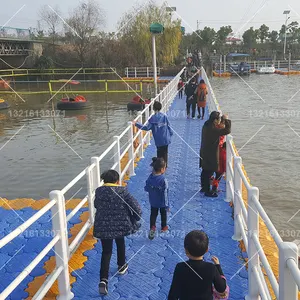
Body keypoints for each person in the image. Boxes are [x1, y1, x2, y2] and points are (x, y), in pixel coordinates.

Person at [93, 170, 142, 295]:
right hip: (120, 225)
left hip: (103, 226)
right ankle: (121, 266)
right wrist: (135, 219)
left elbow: (96, 205)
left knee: (106, 251)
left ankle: (103, 280)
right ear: (117, 181)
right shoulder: (122, 191)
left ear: (104, 181)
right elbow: (136, 208)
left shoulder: (99, 191)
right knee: (120, 243)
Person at [168, 230, 228, 300]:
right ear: (207, 249)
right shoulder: (211, 268)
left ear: (186, 250)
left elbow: (173, 293)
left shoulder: (180, 267)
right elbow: (221, 288)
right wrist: (217, 266)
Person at [200, 111, 231, 197]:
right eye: (218, 119)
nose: (219, 121)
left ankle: (203, 188)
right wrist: (227, 120)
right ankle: (207, 191)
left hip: (204, 150)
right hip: (210, 153)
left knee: (205, 171)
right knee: (209, 172)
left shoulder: (206, 125)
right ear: (215, 120)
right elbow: (227, 130)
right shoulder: (213, 129)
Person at [133, 101, 173, 167]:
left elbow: (146, 128)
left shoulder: (152, 118)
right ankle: (165, 166)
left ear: (153, 109)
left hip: (159, 140)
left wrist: (136, 124)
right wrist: (170, 134)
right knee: (165, 153)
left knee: (159, 154)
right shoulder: (164, 116)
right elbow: (169, 126)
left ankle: (160, 167)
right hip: (166, 138)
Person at [145, 157, 169, 240]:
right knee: (163, 214)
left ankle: (152, 227)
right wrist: (167, 205)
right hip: (162, 202)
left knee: (153, 214)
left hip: (153, 201)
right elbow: (165, 193)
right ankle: (163, 226)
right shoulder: (163, 180)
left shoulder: (150, 177)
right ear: (162, 169)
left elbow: (146, 188)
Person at [212, 116, 227, 193]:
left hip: (217, 164)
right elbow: (224, 161)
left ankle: (213, 185)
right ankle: (214, 189)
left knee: (216, 177)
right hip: (220, 168)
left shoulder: (216, 128)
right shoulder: (218, 130)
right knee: (217, 178)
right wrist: (225, 170)